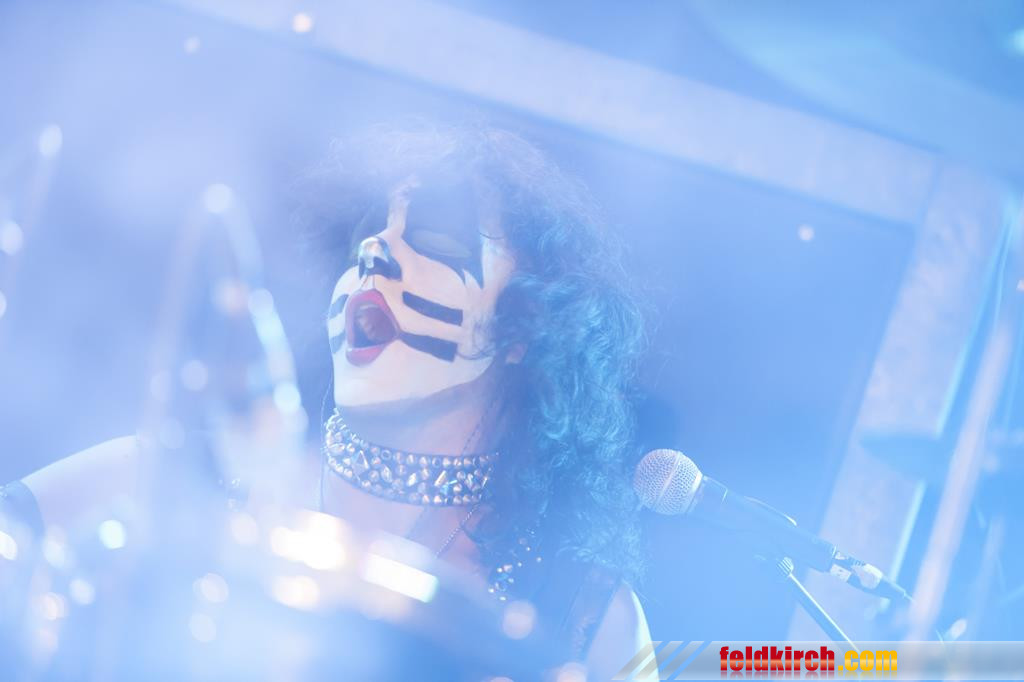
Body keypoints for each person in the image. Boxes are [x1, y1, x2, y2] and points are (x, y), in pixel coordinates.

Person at [2, 122, 653, 679]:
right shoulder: (162, 481)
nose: (375, 251)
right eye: (367, 235)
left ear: (526, 326)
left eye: (435, 239)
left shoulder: (587, 617)